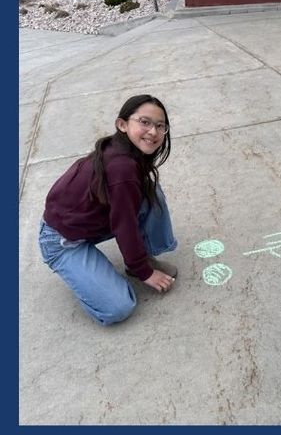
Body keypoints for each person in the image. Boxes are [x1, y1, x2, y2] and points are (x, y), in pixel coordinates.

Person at [38, 95, 178, 325]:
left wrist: (138, 262)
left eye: (160, 125)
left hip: (86, 222)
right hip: (60, 241)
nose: (153, 131)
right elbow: (125, 224)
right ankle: (99, 275)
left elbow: (124, 216)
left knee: (149, 190)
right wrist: (144, 272)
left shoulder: (125, 151)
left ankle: (140, 258)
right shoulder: (121, 167)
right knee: (118, 307)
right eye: (144, 122)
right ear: (122, 124)